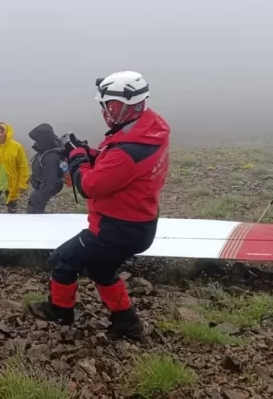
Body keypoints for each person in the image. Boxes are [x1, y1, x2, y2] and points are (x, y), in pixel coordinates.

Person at [28, 71, 170, 341]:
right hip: (138, 224)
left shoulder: (128, 149)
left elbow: (89, 185)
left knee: (63, 260)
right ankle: (127, 323)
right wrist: (90, 153)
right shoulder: (147, 133)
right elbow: (115, 165)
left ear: (128, 105)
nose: (106, 112)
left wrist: (78, 156)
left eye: (110, 106)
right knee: (100, 269)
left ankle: (60, 310)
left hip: (115, 229)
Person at [26, 123, 66, 214]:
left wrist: (39, 197)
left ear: (43, 140)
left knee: (34, 206)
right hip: (43, 184)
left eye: (37, 140)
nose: (35, 143)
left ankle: (36, 224)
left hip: (47, 186)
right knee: (35, 202)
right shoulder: (48, 147)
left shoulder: (51, 158)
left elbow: (49, 183)